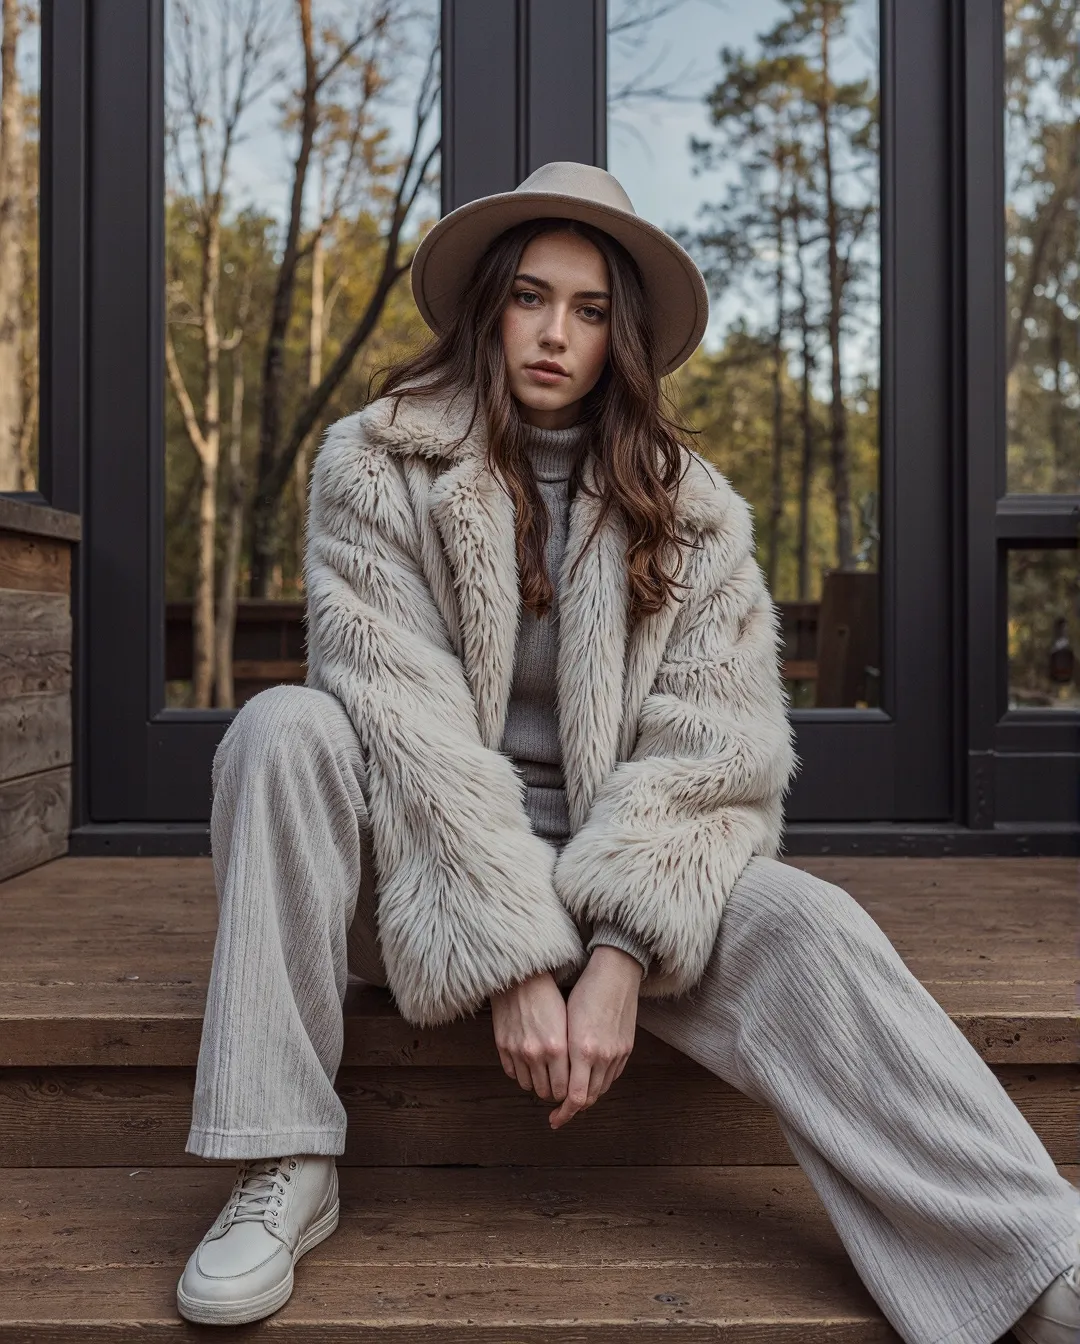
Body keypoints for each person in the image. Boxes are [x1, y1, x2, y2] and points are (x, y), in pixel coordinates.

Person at [175, 161, 1080, 1343]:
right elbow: (400, 715)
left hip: (621, 868)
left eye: (591, 310)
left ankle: (1030, 1255)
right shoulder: (376, 462)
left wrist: (613, 954)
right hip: (416, 874)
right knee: (284, 729)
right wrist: (507, 959)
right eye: (531, 298)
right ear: (487, 305)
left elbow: (718, 752)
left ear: (623, 335)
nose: (555, 333)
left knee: (813, 922)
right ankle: (281, 1159)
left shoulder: (692, 509)